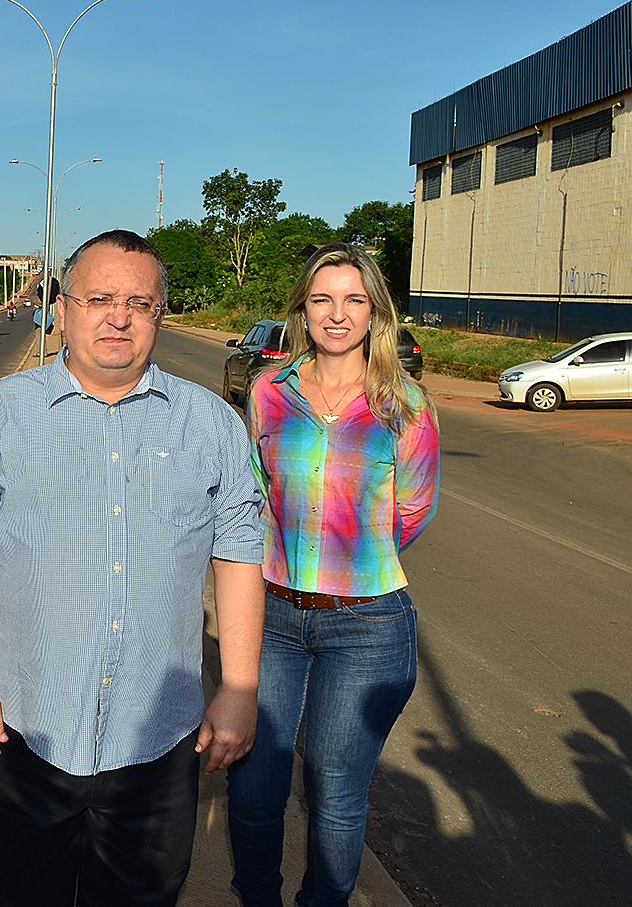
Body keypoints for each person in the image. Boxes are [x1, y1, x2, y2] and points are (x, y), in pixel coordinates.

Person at [0, 229, 267, 907]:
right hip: (29, 729)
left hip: (158, 740)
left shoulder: (210, 424)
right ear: (61, 308)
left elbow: (238, 557)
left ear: (159, 316)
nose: (118, 317)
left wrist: (239, 687)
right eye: (98, 299)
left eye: (138, 303)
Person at [226, 243, 440, 907]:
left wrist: (351, 555)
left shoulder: (405, 404)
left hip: (367, 624)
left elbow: (413, 509)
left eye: (353, 300)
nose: (337, 313)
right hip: (271, 616)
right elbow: (254, 492)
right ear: (302, 310)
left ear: (375, 313)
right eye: (322, 299)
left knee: (334, 789)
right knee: (253, 782)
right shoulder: (268, 393)